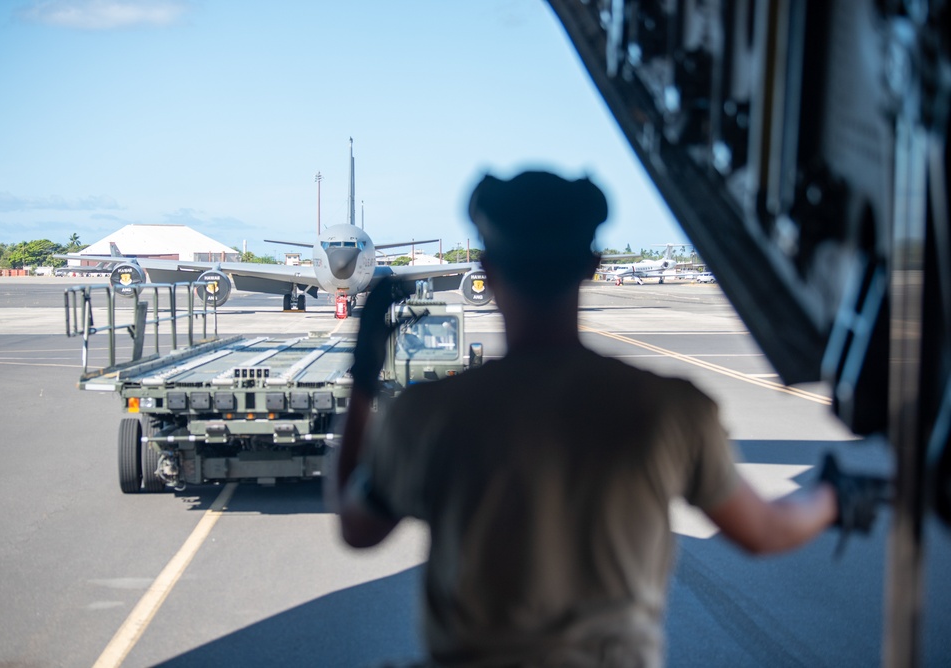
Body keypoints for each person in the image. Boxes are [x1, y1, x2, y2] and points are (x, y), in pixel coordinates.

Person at [333, 170, 882, 666]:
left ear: (489, 273)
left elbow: (357, 528)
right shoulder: (671, 409)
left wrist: (362, 377)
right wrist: (833, 499)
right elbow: (764, 532)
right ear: (592, 267)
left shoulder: (428, 414)